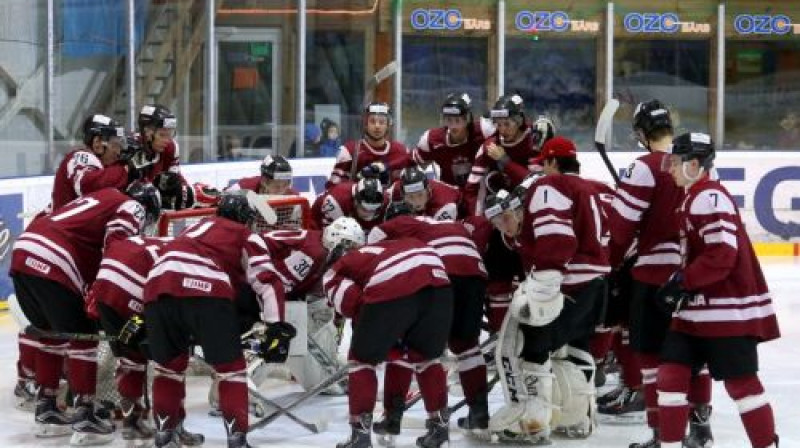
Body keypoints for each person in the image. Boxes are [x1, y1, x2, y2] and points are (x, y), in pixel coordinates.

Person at [9, 183, 160, 445]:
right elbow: (117, 242)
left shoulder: (101, 196)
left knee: (52, 335)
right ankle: (85, 416)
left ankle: (47, 409)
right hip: (55, 256)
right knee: (84, 337)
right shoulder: (133, 206)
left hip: (23, 250)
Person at [143, 193, 297, 448]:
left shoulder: (193, 229)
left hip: (156, 290)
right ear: (244, 218)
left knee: (168, 369)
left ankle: (165, 436)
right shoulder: (244, 233)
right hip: (206, 291)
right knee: (231, 371)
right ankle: (237, 440)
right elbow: (268, 281)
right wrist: (275, 326)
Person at [657, 132, 780, 448]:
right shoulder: (693, 195)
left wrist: (683, 281)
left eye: (676, 162)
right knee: (670, 376)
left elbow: (723, 254)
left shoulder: (709, 196)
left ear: (694, 164)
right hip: (694, 311)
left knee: (742, 386)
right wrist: (681, 281)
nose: (671, 168)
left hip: (726, 312)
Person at [606, 100, 713, 447]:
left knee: (652, 359)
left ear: (641, 133)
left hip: (653, 278)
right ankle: (701, 427)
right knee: (695, 356)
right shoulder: (698, 166)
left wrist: (612, 263)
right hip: (695, 276)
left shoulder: (643, 168)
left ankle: (660, 434)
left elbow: (620, 230)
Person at [485, 164, 609, 443]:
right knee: (575, 348)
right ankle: (581, 415)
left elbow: (558, 243)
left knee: (529, 346)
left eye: (508, 216)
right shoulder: (581, 193)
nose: (505, 226)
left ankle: (535, 420)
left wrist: (543, 285)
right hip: (595, 284)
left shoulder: (544, 192)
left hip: (569, 284)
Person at [322, 217, 453, 448]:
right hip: (439, 283)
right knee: (425, 358)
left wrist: (371, 336)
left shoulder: (340, 265)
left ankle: (360, 437)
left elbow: (357, 307)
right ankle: (439, 431)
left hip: (395, 282)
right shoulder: (388, 247)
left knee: (361, 361)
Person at [367, 203, 489, 439]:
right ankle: (479, 412)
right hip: (475, 272)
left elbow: (374, 243)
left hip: (438, 271)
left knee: (410, 346)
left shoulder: (401, 223)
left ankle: (393, 416)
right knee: (467, 347)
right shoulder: (445, 224)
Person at [85, 235, 172, 441]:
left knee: (128, 355)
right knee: (141, 356)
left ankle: (130, 420)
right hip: (130, 297)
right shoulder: (189, 255)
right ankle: (140, 422)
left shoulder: (158, 241)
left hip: (103, 291)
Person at [463, 94, 555, 216]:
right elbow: (472, 188)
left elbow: (538, 183)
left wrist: (505, 161)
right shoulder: (490, 146)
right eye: (498, 124)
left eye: (507, 124)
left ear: (519, 121)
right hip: (500, 213)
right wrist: (476, 220)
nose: (502, 130)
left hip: (533, 207)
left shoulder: (533, 141)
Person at [411, 92, 494, 190]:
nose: (453, 126)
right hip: (450, 192)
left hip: (481, 190)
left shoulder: (484, 130)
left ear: (468, 119)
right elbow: (411, 163)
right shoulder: (432, 139)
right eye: (449, 120)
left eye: (458, 120)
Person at [327, 102, 410, 188]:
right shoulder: (349, 151)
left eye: (382, 122)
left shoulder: (401, 151)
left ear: (388, 125)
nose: (377, 126)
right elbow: (334, 189)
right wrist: (357, 186)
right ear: (366, 124)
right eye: (372, 121)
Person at [310, 177, 387, 231]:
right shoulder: (336, 202)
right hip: (320, 221)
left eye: (373, 210)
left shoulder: (387, 202)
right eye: (364, 209)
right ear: (356, 201)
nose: (368, 214)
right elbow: (328, 237)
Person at [386, 165, 460, 221]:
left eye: (420, 195)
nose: (416, 201)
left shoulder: (443, 203)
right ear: (402, 194)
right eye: (411, 196)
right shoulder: (396, 189)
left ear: (428, 191)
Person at [226, 154, 299, 196]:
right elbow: (221, 199)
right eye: (276, 186)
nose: (281, 190)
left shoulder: (293, 196)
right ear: (264, 182)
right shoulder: (244, 187)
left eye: (285, 185)